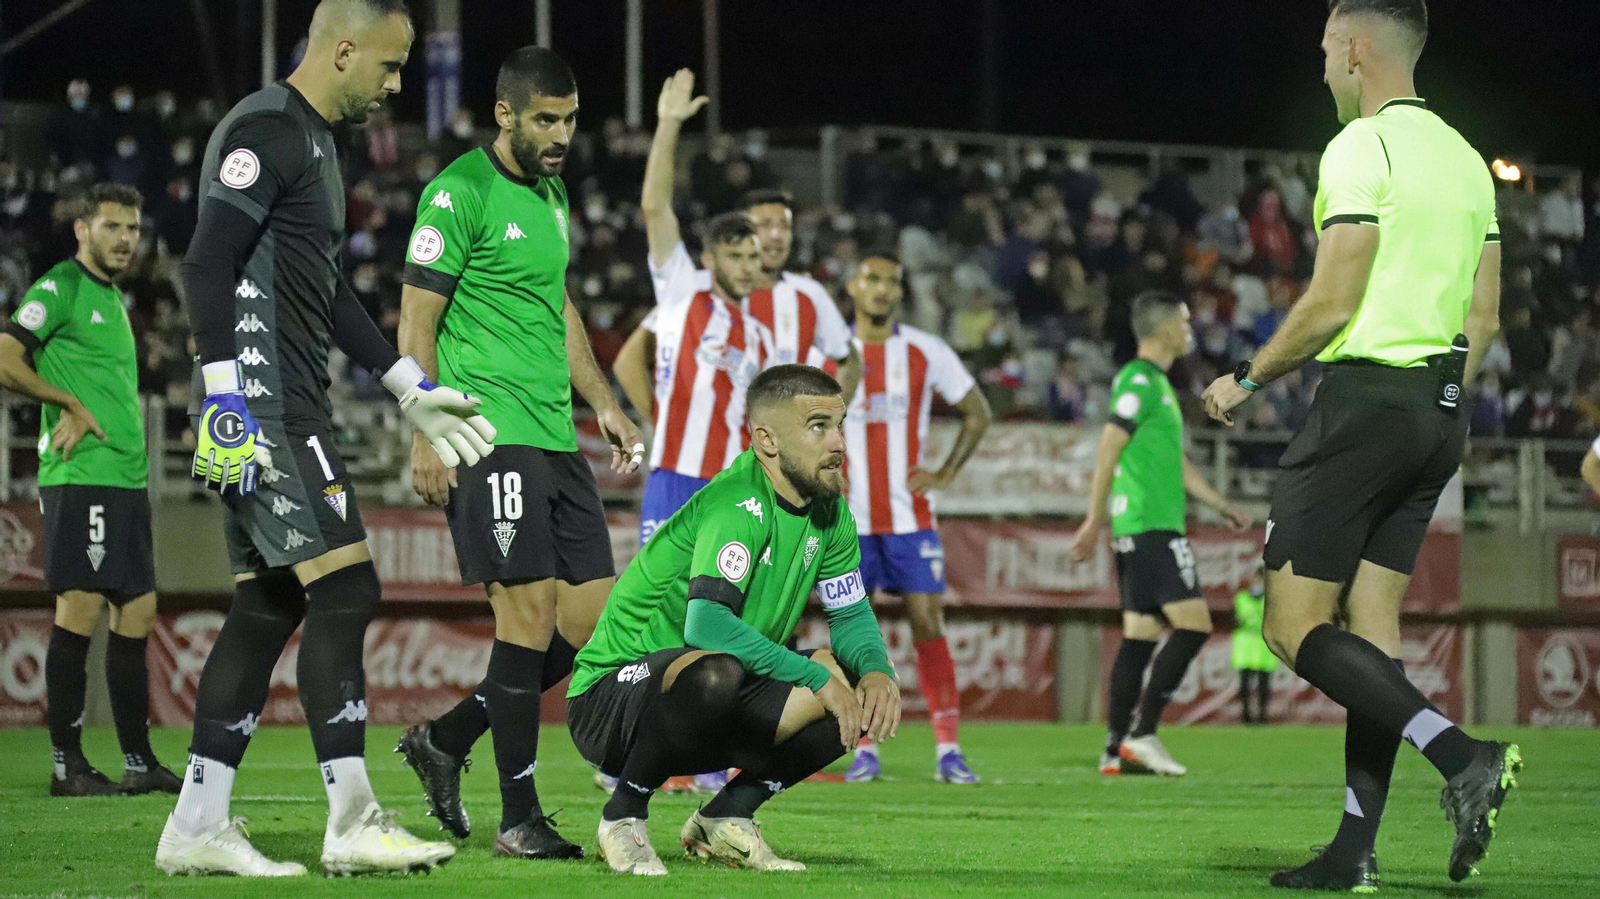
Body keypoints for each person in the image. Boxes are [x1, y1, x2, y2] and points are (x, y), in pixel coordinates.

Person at [157, 0, 490, 877]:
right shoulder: (265, 129)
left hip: (284, 399)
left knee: (268, 603)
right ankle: (352, 814)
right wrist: (226, 398)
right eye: (387, 67)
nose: (394, 86)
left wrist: (410, 388)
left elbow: (330, 290)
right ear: (342, 50)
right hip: (263, 403)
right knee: (346, 588)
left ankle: (196, 822)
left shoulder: (317, 145)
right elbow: (205, 261)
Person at [1201, 1, 1517, 889]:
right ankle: (1354, 850)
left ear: (1352, 48)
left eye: (1324, 53)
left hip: (1366, 404)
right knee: (1372, 636)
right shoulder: (1465, 159)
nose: (1323, 71)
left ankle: (1460, 755)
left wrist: (1248, 377)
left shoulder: (1360, 147)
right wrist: (1441, 397)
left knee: (1293, 628)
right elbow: (1484, 315)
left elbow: (1333, 299)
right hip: (1441, 407)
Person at [391, 46, 644, 861]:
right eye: (545, 120)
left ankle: (448, 736)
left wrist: (604, 401)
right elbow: (416, 320)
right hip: (486, 431)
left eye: (569, 119)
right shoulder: (458, 192)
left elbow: (557, 302)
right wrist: (426, 427)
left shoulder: (553, 194)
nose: (561, 134)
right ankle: (518, 816)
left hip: (555, 436)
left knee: (594, 620)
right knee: (528, 616)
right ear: (505, 115)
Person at [567, 365, 900, 875]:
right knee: (719, 667)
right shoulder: (736, 504)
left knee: (850, 684)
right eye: (817, 427)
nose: (837, 443)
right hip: (611, 703)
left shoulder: (830, 514)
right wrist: (812, 676)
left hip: (709, 703)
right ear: (766, 440)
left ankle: (724, 818)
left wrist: (877, 670)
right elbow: (706, 626)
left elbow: (851, 613)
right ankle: (623, 817)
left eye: (839, 425)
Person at [0, 183, 180, 798]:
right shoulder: (60, 289)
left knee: (138, 610)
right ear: (82, 229)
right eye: (112, 227)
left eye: (132, 228)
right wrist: (65, 401)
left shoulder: (110, 296)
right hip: (83, 478)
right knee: (78, 609)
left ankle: (136, 760)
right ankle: (66, 765)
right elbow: (5, 357)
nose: (126, 239)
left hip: (124, 481)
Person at [827, 255, 992, 784]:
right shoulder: (827, 353)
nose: (881, 289)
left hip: (911, 518)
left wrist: (945, 472)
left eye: (892, 281)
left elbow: (978, 410)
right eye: (871, 278)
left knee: (927, 623)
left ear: (899, 291)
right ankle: (865, 749)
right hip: (846, 521)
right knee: (855, 632)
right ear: (854, 285)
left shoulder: (924, 350)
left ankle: (948, 749)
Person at [1072, 291, 1251, 777]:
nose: (1191, 328)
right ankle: (1143, 733)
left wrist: (1219, 505)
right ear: (1163, 328)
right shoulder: (1139, 381)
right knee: (1194, 627)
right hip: (1151, 526)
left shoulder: (1156, 386)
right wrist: (1093, 519)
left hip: (1139, 528)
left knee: (1140, 637)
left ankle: (1114, 749)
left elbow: (1174, 463)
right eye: (1184, 321)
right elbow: (1109, 445)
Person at [1232, 564, 1275, 724]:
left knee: (1264, 683)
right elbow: (1233, 619)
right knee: (1244, 684)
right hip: (1245, 645)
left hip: (1264, 644)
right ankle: (1245, 716)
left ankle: (1263, 716)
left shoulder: (1271, 599)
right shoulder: (1241, 598)